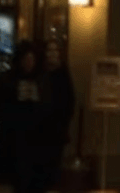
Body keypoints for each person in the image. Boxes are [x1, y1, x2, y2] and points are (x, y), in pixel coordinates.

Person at [0, 41, 51, 193]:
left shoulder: (42, 80)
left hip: (37, 143)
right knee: (19, 183)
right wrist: (13, 103)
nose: (29, 63)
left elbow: (51, 109)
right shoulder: (7, 80)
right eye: (26, 59)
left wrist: (38, 101)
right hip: (14, 141)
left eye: (31, 59)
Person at [41, 40, 76, 192]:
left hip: (56, 128)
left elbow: (69, 101)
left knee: (54, 164)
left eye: (55, 51)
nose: (52, 54)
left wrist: (63, 123)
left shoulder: (63, 74)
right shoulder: (41, 74)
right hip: (40, 127)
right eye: (49, 50)